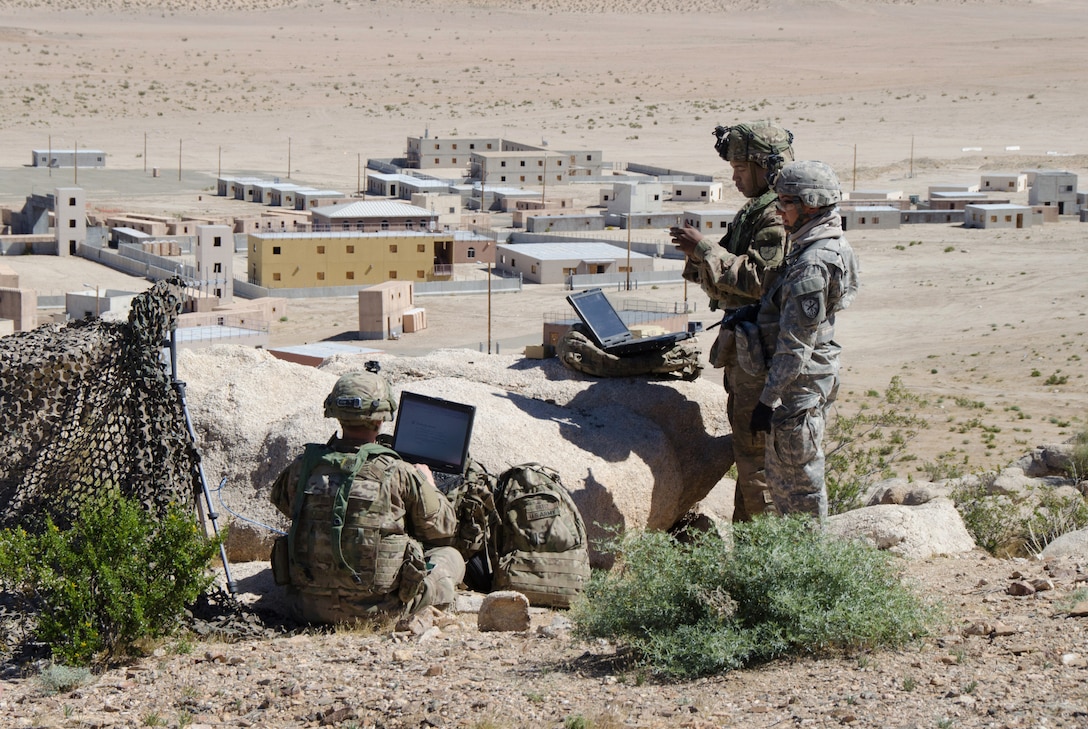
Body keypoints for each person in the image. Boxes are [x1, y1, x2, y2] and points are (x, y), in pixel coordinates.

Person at [669, 120, 795, 521]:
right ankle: (750, 556)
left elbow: (760, 280)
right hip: (749, 353)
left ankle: (759, 561)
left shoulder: (775, 215)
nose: (736, 179)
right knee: (748, 456)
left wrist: (702, 248)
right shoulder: (757, 209)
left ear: (764, 166)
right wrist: (698, 253)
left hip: (763, 359)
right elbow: (726, 268)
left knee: (757, 461)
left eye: (741, 171)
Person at [270, 370, 465, 623]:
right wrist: (430, 484)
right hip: (379, 612)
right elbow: (442, 528)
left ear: (337, 416)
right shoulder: (399, 472)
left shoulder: (303, 466)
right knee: (450, 556)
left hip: (307, 608)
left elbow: (284, 503)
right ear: (379, 421)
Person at [749, 161, 860, 520]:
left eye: (785, 202)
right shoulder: (828, 244)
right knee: (790, 479)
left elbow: (796, 343)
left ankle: (810, 570)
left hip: (799, 387)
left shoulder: (812, 262)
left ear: (810, 205)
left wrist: (767, 400)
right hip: (812, 377)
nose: (779, 211)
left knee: (798, 487)